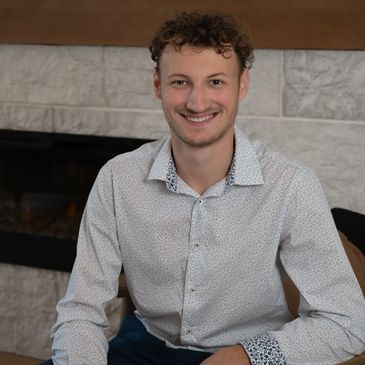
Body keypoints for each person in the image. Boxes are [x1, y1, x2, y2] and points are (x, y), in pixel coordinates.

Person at [42, 11, 365, 365]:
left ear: (242, 84)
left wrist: (246, 356)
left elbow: (348, 323)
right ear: (157, 84)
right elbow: (80, 311)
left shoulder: (291, 186)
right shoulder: (118, 179)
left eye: (215, 82)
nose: (197, 103)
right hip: (144, 346)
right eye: (180, 82)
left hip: (250, 355)